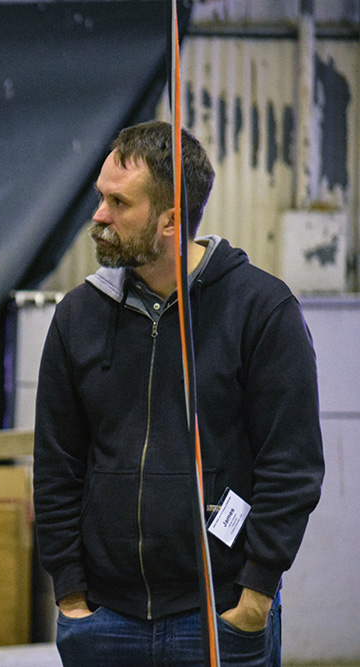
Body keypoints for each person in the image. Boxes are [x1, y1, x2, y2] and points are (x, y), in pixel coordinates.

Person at [33, 120, 324, 666]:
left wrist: (255, 598)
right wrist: (70, 594)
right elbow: (56, 465)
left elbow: (291, 465)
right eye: (100, 196)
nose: (99, 216)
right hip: (103, 620)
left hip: (219, 615)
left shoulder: (262, 310)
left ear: (171, 219)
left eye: (119, 202)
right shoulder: (78, 315)